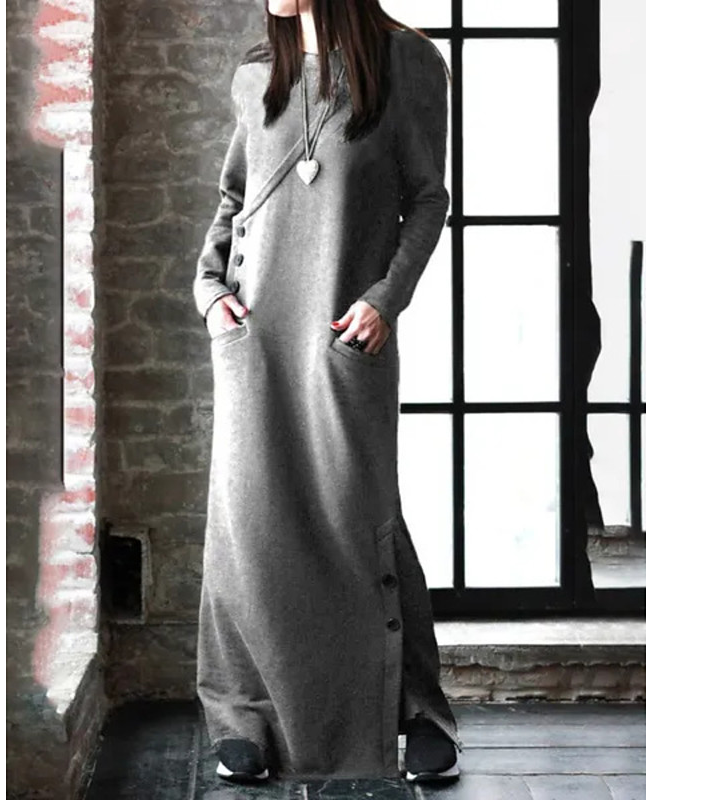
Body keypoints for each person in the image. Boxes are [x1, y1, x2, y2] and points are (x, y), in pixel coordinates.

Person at [192, 0, 461, 784]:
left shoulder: (407, 64)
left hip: (345, 334)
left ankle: (418, 710)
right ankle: (241, 713)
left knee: (363, 519)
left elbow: (429, 197)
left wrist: (386, 299)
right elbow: (233, 199)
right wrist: (209, 292)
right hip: (252, 334)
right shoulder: (257, 75)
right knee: (248, 523)